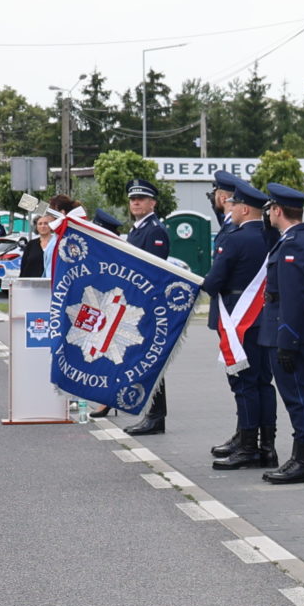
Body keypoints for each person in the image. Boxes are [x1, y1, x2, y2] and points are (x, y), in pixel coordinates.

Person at [202, 178, 280, 473]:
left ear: (245, 209)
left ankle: (248, 447)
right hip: (265, 318)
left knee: (244, 383)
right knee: (263, 382)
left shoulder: (235, 239)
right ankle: (266, 447)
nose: (229, 208)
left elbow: (214, 283)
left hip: (240, 320)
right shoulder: (271, 236)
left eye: (233, 204)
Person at [258, 183, 304, 485]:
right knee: (296, 395)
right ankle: (299, 457)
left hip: (291, 330)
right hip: (290, 326)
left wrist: (286, 340)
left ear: (277, 210)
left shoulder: (295, 246)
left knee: (299, 396)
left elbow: (292, 296)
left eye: (270, 209)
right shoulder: (297, 238)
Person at [122, 181, 173, 435]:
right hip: (135, 305)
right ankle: (151, 413)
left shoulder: (154, 231)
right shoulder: (137, 230)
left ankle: (155, 415)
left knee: (151, 360)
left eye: (141, 198)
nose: (136, 203)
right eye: (133, 199)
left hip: (148, 307)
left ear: (153, 203)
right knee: (142, 359)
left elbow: (153, 272)